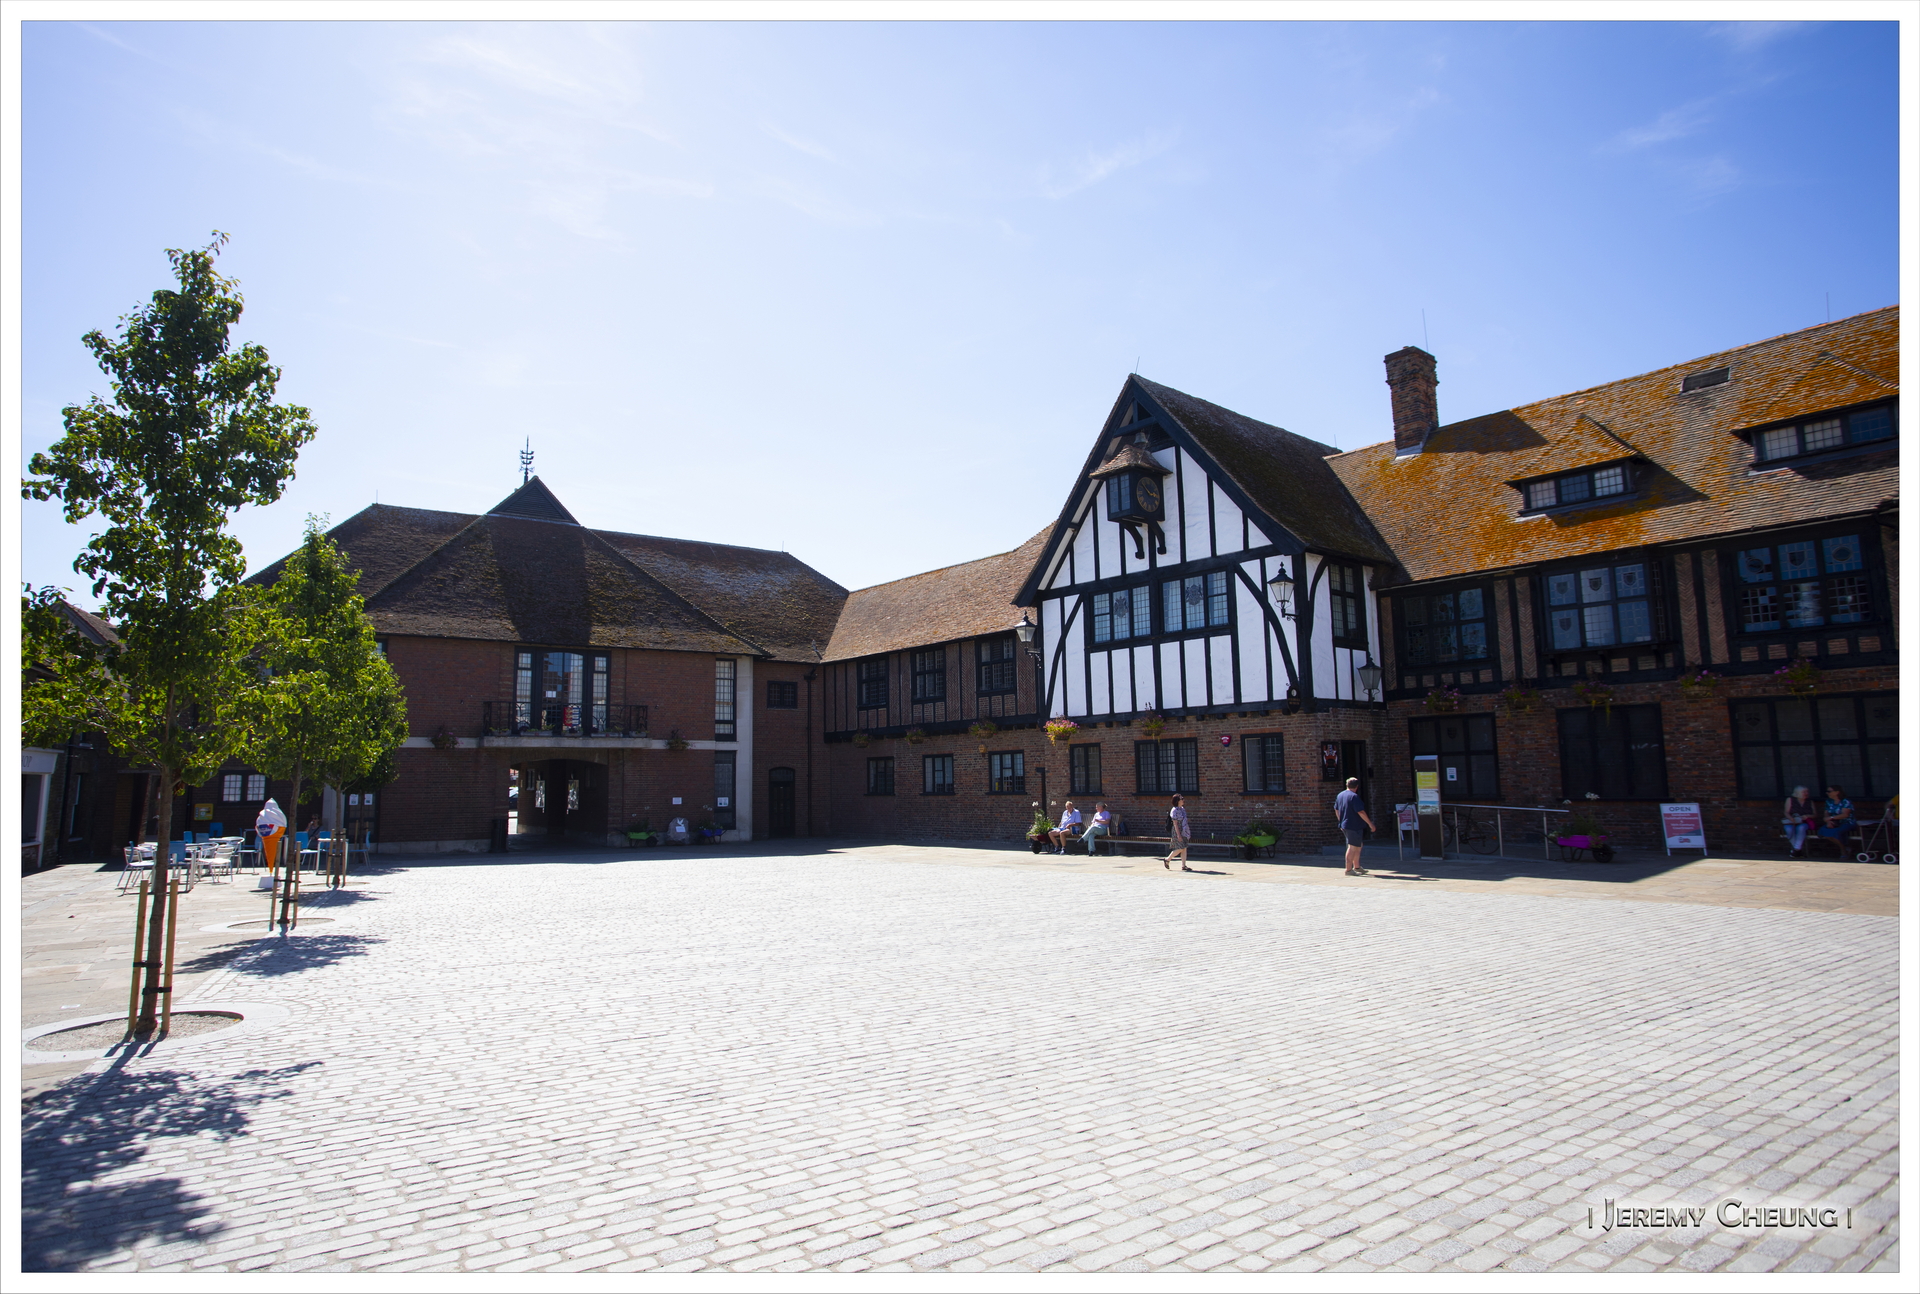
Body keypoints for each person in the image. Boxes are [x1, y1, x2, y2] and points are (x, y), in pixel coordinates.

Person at [1333, 777, 1375, 876]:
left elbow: (1336, 809)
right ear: (1357, 787)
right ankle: (1348, 870)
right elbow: (1360, 812)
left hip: (1347, 824)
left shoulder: (1340, 795)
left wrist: (1340, 821)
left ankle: (1357, 866)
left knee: (1358, 845)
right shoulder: (1354, 797)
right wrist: (1370, 824)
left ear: (1346, 785)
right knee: (1352, 847)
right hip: (1353, 825)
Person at [1817, 786, 1855, 854]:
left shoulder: (1845, 801)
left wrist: (1831, 818)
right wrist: (1828, 821)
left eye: (1829, 791)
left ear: (1837, 792)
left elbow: (1845, 815)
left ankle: (1843, 850)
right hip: (1833, 822)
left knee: (1835, 832)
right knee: (1824, 830)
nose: (1827, 793)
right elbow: (1826, 813)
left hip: (1846, 822)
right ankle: (1843, 847)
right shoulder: (1829, 801)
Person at [1782, 785, 1817, 857]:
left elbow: (1815, 814)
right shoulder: (1790, 800)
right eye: (1804, 792)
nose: (1806, 793)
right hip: (1791, 821)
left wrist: (1807, 816)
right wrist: (1791, 818)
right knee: (1788, 829)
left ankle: (1796, 849)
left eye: (1807, 792)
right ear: (1798, 793)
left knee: (1801, 828)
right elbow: (1786, 812)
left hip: (1804, 822)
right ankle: (1797, 850)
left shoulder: (1810, 802)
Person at [1163, 794, 1193, 871]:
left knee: (1184, 848)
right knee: (1180, 848)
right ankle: (1167, 859)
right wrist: (1178, 835)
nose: (1183, 800)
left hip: (1184, 830)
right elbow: (1175, 824)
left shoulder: (1182, 809)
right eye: (1181, 799)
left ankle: (1184, 865)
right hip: (1177, 830)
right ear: (1177, 801)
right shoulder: (1174, 810)